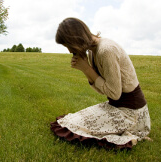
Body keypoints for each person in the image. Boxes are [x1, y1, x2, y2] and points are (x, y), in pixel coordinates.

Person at [50, 17, 151, 149]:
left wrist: (87, 69)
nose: (69, 50)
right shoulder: (93, 51)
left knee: (73, 127)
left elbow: (114, 94)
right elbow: (103, 90)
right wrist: (86, 69)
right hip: (115, 106)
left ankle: (132, 136)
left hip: (131, 113)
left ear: (75, 39)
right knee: (67, 122)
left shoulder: (106, 50)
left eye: (68, 45)